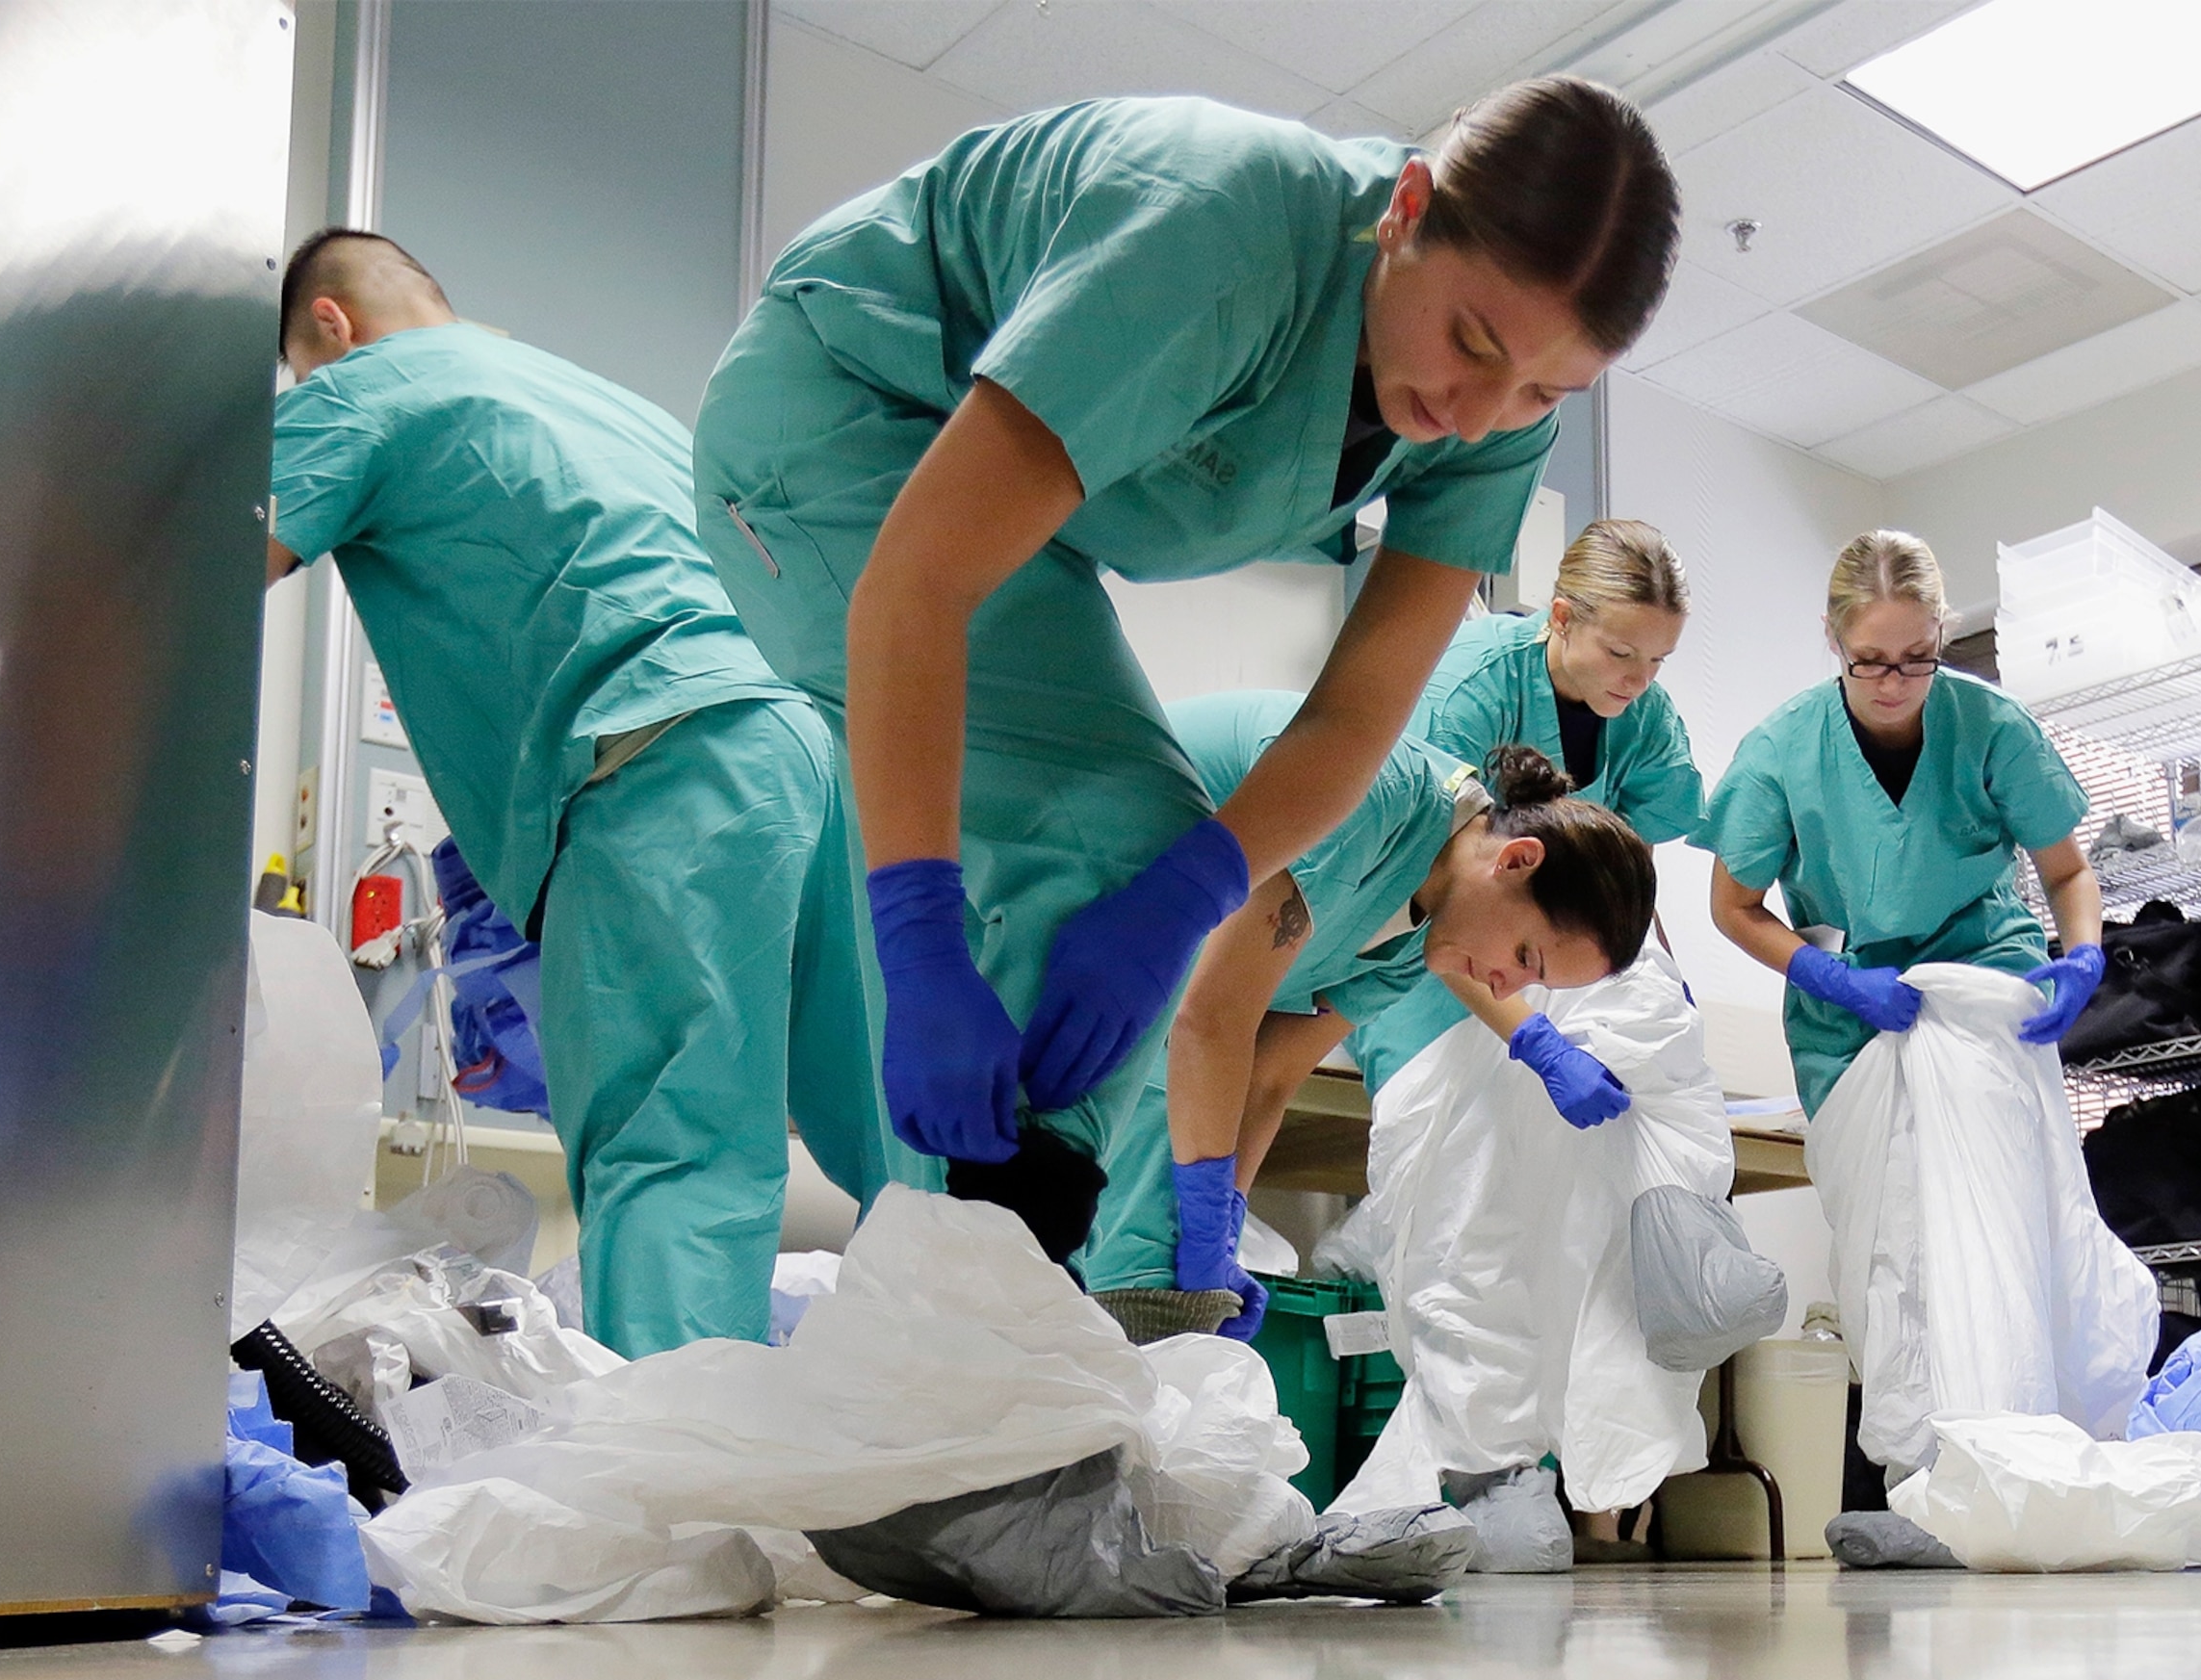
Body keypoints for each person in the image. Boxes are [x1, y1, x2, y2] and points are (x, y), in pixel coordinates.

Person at [690, 82, 1679, 1255]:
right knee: (1094, 846)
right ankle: (953, 1300)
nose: (1479, 417)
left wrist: (1188, 897)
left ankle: (989, 1292)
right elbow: (919, 584)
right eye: (1472, 344)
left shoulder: (1493, 424)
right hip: (842, 424)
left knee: (1139, 856)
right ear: (1407, 209)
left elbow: (1360, 707)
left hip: (1014, 531)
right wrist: (919, 941)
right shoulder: (1219, 230)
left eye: (1542, 390)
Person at [264, 229, 885, 1357]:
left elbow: (200, 574)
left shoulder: (361, 387)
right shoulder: (595, 397)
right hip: (808, 755)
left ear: (329, 324)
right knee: (900, 1135)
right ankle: (1019, 1428)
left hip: (660, 771)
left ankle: (676, 1515)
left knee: (677, 1148)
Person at [1079, 691, 1658, 1339]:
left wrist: (1224, 1226)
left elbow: (1271, 1073)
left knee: (1163, 1284)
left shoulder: (1419, 942)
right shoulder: (1370, 803)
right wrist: (1203, 1225)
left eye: (1532, 981)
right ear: (1516, 860)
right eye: (1526, 956)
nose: (1506, 988)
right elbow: (1209, 1023)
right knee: (1144, 1277)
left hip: (1117, 981)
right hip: (1054, 873)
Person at [1696, 530, 2105, 1114]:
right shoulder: (1780, 752)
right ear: (1833, 639)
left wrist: (2084, 954)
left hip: (1983, 977)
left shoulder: (1991, 726)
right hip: (1849, 1012)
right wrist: (1829, 979)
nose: (1894, 684)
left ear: (1942, 631)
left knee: (1993, 1160)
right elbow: (1732, 906)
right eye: (1870, 662)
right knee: (1891, 1194)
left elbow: (2067, 873)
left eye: (1918, 658)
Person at [1346, 518, 1701, 1114]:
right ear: (1561, 617)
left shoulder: (1643, 717)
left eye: (1659, 660)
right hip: (1434, 975)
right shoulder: (1465, 695)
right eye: (1620, 653)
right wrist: (1535, 1042)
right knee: (1454, 1161)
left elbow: (1619, 872)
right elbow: (1422, 900)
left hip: (1553, 972)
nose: (1639, 681)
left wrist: (1656, 972)